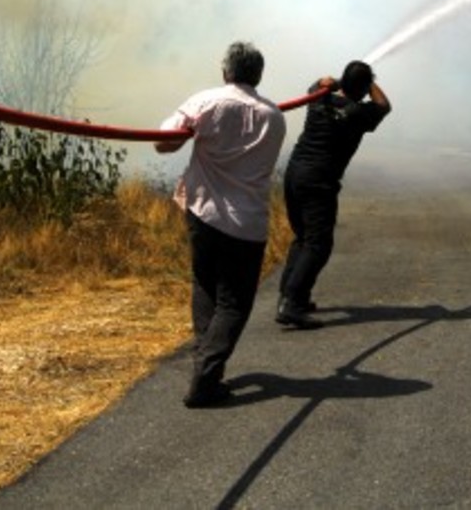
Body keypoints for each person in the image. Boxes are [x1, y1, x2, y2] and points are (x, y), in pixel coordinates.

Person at [155, 41, 287, 408]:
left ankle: (206, 372)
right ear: (259, 75)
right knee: (233, 303)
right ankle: (205, 379)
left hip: (203, 215)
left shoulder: (205, 102)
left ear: (225, 71)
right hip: (247, 224)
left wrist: (191, 129)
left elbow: (162, 144)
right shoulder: (275, 117)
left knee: (206, 289)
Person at [276, 60, 391, 329]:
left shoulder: (319, 98)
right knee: (318, 244)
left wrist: (337, 81)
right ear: (362, 89)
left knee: (304, 238)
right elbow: (385, 105)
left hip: (295, 174)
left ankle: (293, 295)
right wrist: (367, 81)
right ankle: (291, 304)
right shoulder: (359, 113)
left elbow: (318, 83)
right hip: (319, 182)